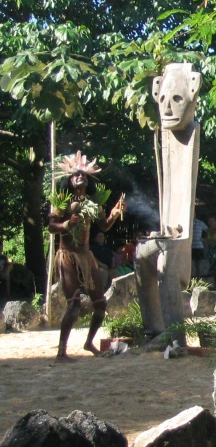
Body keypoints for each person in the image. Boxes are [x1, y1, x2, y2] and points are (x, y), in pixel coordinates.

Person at [48, 152, 125, 361]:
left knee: (100, 304)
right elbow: (51, 226)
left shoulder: (93, 202)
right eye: (76, 175)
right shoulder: (62, 202)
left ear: (87, 179)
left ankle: (89, 342)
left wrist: (115, 214)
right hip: (68, 257)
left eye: (83, 174)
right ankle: (61, 351)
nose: (80, 177)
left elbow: (104, 225)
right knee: (73, 305)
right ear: (70, 180)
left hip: (86, 256)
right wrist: (66, 224)